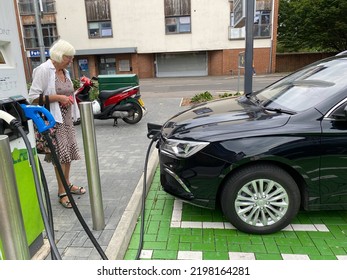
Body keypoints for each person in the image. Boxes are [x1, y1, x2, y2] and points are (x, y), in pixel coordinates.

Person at [29, 39, 86, 208]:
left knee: (67, 155)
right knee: (60, 157)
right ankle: (62, 192)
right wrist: (58, 98)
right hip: (53, 120)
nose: (71, 61)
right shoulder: (44, 70)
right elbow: (33, 97)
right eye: (69, 57)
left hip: (66, 119)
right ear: (60, 55)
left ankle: (66, 184)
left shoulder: (64, 72)